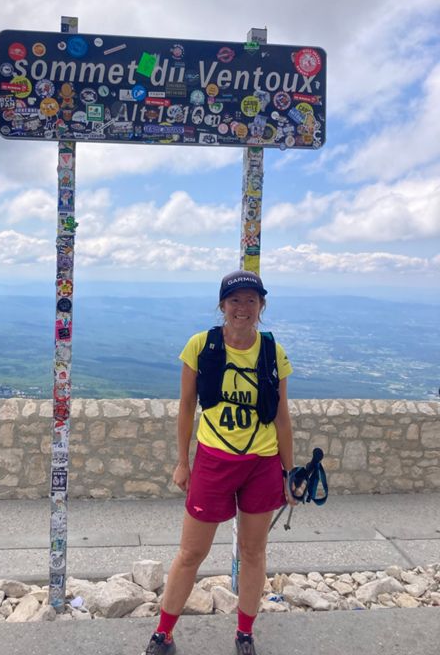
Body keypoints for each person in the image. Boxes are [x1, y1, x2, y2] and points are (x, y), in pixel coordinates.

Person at [145, 270, 298, 655]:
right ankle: (163, 634)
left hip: (262, 462)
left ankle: (245, 633)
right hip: (214, 459)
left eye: (251, 300)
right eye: (235, 300)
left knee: (253, 552)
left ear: (261, 305)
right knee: (191, 553)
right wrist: (183, 462)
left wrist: (288, 473)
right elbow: (186, 407)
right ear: (222, 305)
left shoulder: (273, 352)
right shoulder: (201, 346)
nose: (242, 308)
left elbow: (282, 418)